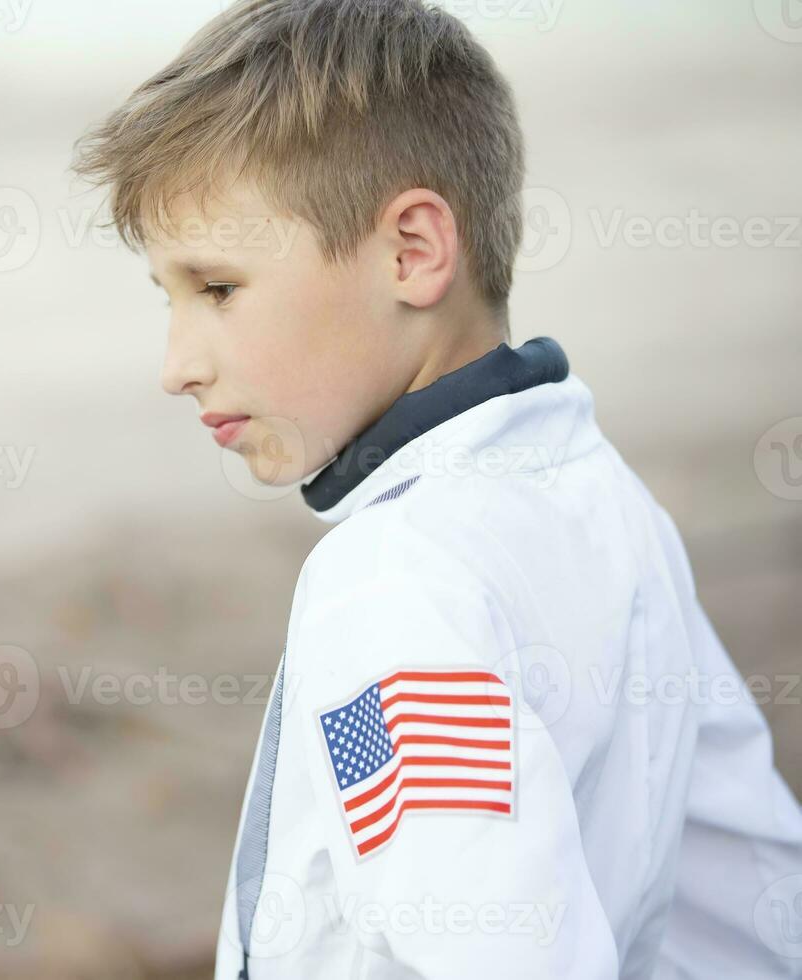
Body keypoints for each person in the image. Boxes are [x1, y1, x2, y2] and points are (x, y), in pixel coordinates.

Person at [71, 1, 802, 976]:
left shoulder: (391, 580)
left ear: (412, 251)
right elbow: (753, 902)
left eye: (217, 288)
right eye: (166, 298)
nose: (176, 364)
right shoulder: (607, 498)